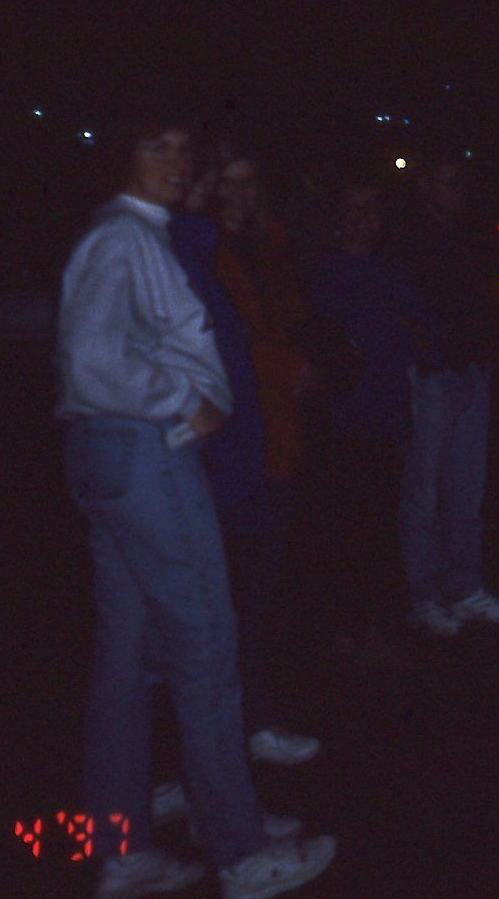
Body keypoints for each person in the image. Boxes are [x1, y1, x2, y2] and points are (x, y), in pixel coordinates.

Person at [54, 112, 335, 899]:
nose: (177, 161)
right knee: (206, 642)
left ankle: (124, 848)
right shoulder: (124, 237)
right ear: (124, 154)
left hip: (113, 453)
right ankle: (238, 848)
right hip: (146, 450)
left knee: (125, 659)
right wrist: (186, 399)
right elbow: (93, 360)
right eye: (157, 145)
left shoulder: (133, 233)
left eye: (184, 148)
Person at [208, 144, 320, 764]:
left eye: (248, 183)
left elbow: (293, 321)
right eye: (226, 183)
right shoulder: (205, 250)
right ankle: (233, 733)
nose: (238, 196)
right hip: (233, 443)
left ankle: (249, 724)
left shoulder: (269, 248)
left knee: (260, 592)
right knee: (231, 596)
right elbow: (230, 346)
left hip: (277, 437)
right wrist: (291, 369)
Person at [391, 153, 499, 636]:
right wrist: (429, 351)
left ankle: (463, 586)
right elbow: (407, 305)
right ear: (424, 185)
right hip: (433, 374)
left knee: (467, 488)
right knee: (423, 491)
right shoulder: (409, 236)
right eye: (446, 183)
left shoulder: (467, 234)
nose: (456, 193)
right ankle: (422, 596)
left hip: (469, 369)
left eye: (459, 183)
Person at [308, 177, 429, 661]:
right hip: (344, 420)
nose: (361, 220)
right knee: (345, 527)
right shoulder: (326, 271)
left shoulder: (390, 271)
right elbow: (332, 344)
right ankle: (344, 627)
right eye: (352, 210)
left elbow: (416, 332)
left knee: (379, 527)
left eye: (370, 209)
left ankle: (374, 626)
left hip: (384, 416)